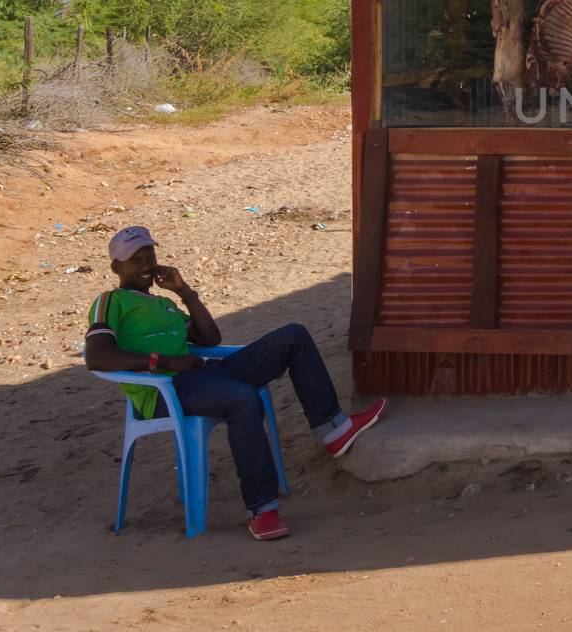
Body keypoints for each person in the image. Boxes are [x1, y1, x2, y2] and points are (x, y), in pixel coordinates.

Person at [84, 226, 387, 541]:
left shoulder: (165, 306)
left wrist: (185, 293)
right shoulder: (111, 302)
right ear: (116, 268)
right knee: (243, 399)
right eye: (136, 260)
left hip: (204, 375)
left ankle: (333, 429)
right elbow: (98, 355)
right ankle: (262, 509)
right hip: (165, 392)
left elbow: (209, 337)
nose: (146, 265)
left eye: (150, 257)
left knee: (293, 336)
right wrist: (164, 362)